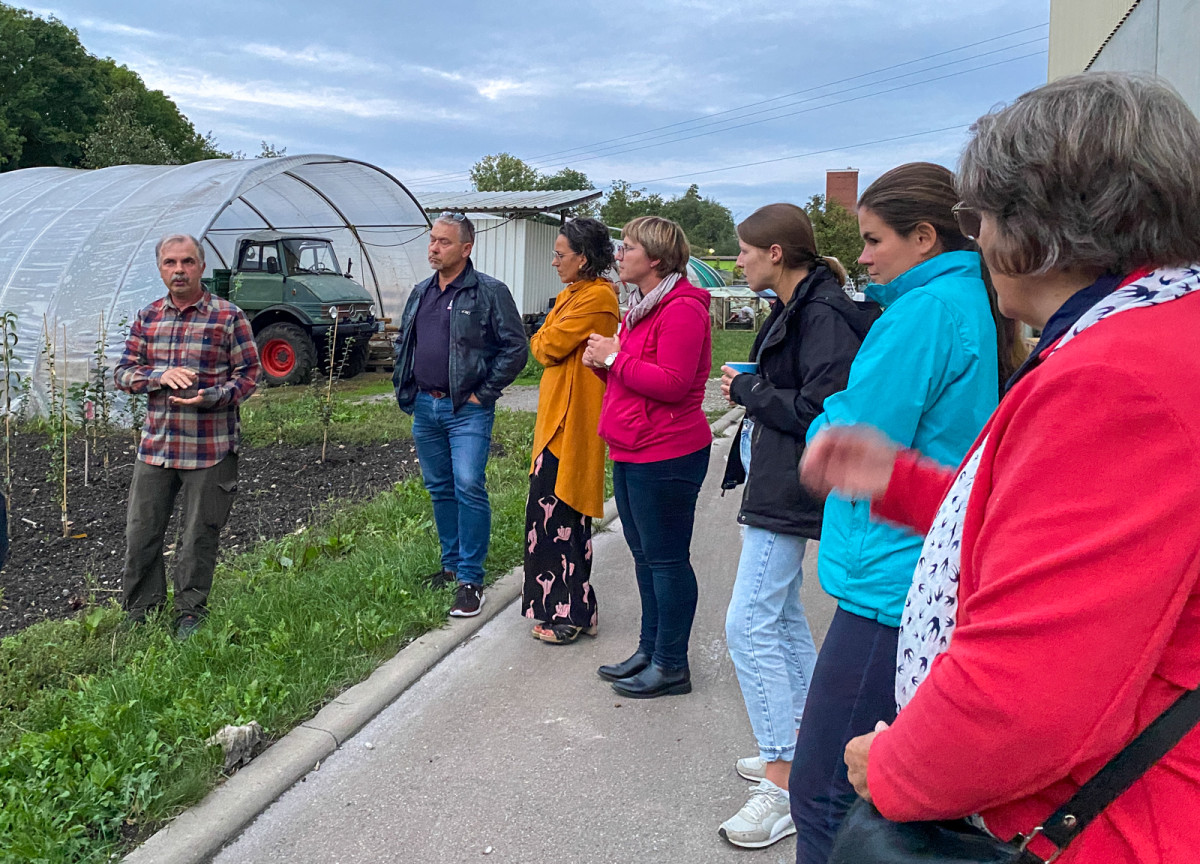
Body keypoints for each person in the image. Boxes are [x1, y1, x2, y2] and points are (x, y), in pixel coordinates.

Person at [803, 72, 1200, 864]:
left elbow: (1030, 694)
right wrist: (901, 482)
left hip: (1113, 825)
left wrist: (895, 765)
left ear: (1034, 226)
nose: (978, 241)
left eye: (979, 218)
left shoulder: (1117, 377)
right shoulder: (1160, 332)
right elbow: (1061, 534)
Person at [789, 162, 1013, 864]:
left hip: (890, 577)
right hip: (920, 562)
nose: (861, 256)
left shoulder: (921, 312)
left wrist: (814, 410)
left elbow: (856, 437)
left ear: (923, 237)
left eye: (872, 239)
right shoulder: (971, 298)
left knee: (824, 791)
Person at [716, 204, 878, 848]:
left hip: (792, 486)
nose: (737, 263)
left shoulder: (821, 313)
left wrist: (751, 394)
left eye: (745, 252)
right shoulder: (798, 305)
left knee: (749, 621)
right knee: (777, 615)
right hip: (778, 481)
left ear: (777, 253)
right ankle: (810, 750)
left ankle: (784, 779)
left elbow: (822, 411)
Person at [584, 215, 711, 699]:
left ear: (655, 258)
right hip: (633, 447)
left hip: (668, 453)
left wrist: (616, 358)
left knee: (667, 560)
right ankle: (650, 650)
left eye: (628, 247)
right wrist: (605, 364)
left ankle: (671, 665)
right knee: (645, 557)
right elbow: (636, 380)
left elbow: (674, 385)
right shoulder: (639, 307)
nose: (619, 255)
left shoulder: (681, 309)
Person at [114, 233, 260, 640]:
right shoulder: (148, 318)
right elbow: (123, 371)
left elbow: (248, 376)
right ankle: (142, 609)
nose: (179, 271)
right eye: (170, 263)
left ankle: (190, 612)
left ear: (201, 265)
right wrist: (158, 377)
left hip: (210, 447)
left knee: (199, 534)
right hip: (157, 446)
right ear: (160, 268)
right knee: (142, 531)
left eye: (187, 262)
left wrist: (210, 397)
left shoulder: (228, 317)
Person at [392, 213, 527, 618]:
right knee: (440, 488)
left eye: (444, 242)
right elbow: (405, 341)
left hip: (466, 410)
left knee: (468, 484)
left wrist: (482, 394)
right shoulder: (421, 292)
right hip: (425, 407)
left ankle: (471, 579)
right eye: (432, 240)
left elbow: (515, 348)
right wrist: (408, 390)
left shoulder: (488, 292)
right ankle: (450, 566)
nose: (434, 248)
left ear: (466, 249)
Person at [521, 218, 619, 644]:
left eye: (562, 254)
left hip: (572, 424)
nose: (555, 261)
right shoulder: (570, 295)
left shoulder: (597, 298)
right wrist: (546, 336)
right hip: (553, 423)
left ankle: (571, 614)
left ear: (585, 257)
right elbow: (541, 341)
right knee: (546, 521)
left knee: (561, 520)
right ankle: (572, 607)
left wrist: (547, 337)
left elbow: (547, 346)